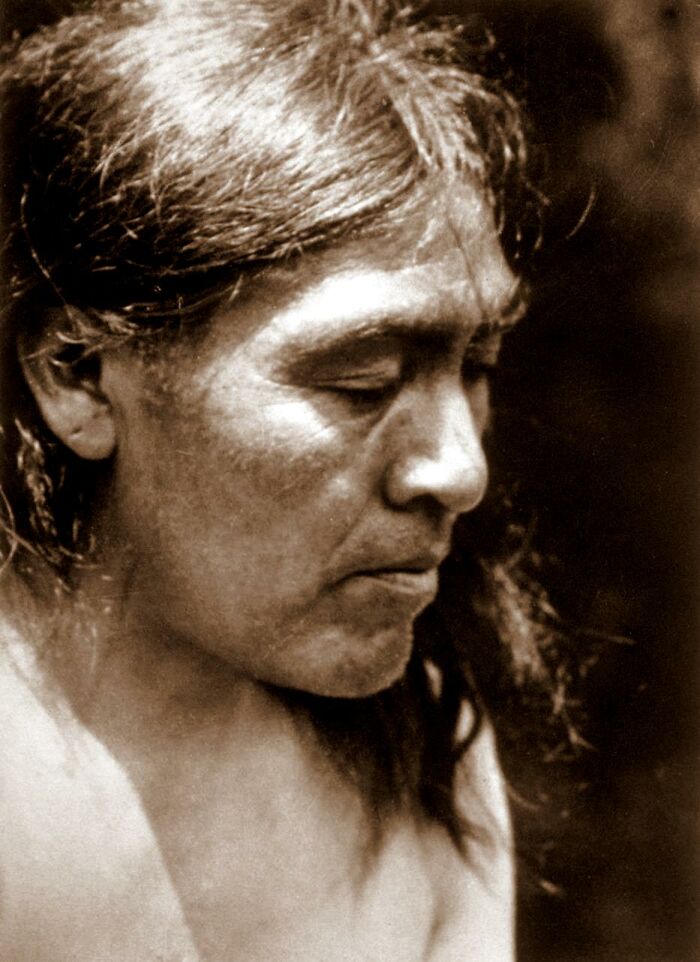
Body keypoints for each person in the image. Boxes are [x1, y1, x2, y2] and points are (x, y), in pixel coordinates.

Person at [0, 1, 554, 959]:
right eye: (362, 381)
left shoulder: (426, 755)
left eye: (477, 365)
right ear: (78, 374)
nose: (461, 469)